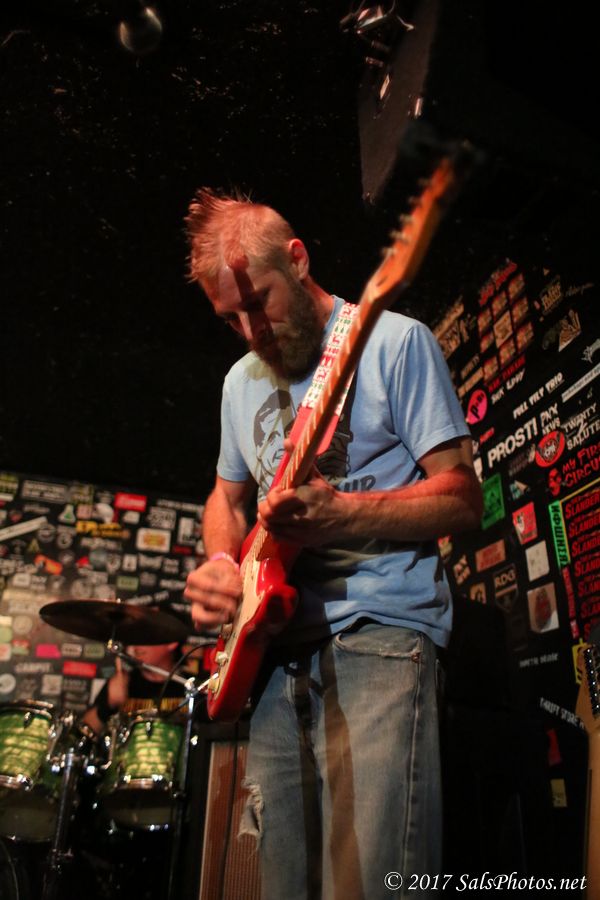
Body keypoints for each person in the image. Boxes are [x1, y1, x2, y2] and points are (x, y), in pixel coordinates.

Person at [183, 188, 483, 900]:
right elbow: (226, 498)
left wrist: (343, 514)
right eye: (229, 319)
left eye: (258, 303)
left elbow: (462, 498)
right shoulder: (238, 384)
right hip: (271, 655)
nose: (250, 330)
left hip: (381, 637)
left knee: (376, 882)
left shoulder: (393, 341)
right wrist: (222, 563)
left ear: (297, 259)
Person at [83, 642, 184, 734]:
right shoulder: (122, 681)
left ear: (171, 643)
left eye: (146, 637)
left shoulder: (188, 684)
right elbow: (85, 734)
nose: (136, 646)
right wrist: (108, 705)